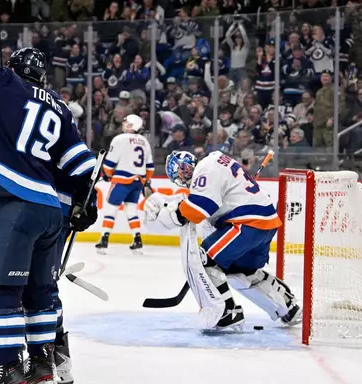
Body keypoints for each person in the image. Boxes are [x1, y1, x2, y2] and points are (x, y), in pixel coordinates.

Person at [0, 20, 97, 384]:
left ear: (14, 70)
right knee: (40, 292)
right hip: (51, 211)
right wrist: (85, 203)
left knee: (0, 288)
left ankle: (11, 370)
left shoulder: (5, 85)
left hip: (16, 203)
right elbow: (82, 166)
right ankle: (44, 368)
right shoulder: (61, 108)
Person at [144, 151, 302, 330]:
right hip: (265, 223)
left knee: (204, 259)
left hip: (247, 224)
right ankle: (288, 307)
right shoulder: (214, 162)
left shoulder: (205, 169)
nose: (184, 174)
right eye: (181, 172)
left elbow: (197, 209)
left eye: (184, 170)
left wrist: (166, 217)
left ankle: (227, 313)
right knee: (242, 271)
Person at [96, 114, 154, 254]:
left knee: (111, 210)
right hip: (137, 182)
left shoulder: (120, 139)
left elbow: (109, 164)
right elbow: (150, 167)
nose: (123, 124)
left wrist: (108, 175)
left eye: (125, 122)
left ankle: (104, 240)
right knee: (131, 210)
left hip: (122, 181)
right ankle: (137, 239)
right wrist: (145, 182)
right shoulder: (144, 141)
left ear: (130, 125)